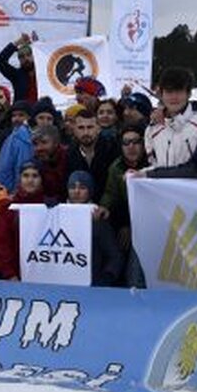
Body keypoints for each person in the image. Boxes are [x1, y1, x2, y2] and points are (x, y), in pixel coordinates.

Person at [100, 124, 148, 288]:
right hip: (126, 222)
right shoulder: (116, 167)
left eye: (136, 142)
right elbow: (111, 194)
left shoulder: (153, 164)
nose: (131, 147)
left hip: (150, 225)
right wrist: (104, 207)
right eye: (126, 143)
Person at [0, 161, 55, 280]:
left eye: (35, 176)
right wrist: (10, 273)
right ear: (20, 179)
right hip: (16, 275)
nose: (30, 180)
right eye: (26, 176)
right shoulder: (9, 208)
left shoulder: (51, 206)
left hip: (46, 273)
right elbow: (2, 244)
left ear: (41, 179)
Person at [66, 171, 125, 286]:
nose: (76, 191)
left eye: (82, 187)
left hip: (91, 285)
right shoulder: (57, 216)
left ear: (90, 191)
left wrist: (106, 277)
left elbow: (115, 256)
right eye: (72, 187)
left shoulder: (98, 219)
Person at [145, 67, 197, 170]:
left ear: (188, 93)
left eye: (179, 91)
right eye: (169, 91)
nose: (174, 97)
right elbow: (154, 166)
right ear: (161, 94)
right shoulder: (152, 129)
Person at [67, 108, 120, 202]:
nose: (86, 132)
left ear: (98, 129)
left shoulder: (113, 150)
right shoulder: (69, 154)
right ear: (74, 130)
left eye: (90, 127)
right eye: (81, 128)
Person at [0, 33, 38, 103]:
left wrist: (37, 46)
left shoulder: (45, 73)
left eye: (29, 55)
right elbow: (0, 61)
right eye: (22, 57)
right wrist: (17, 43)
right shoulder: (17, 75)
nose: (26, 58)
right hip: (21, 109)